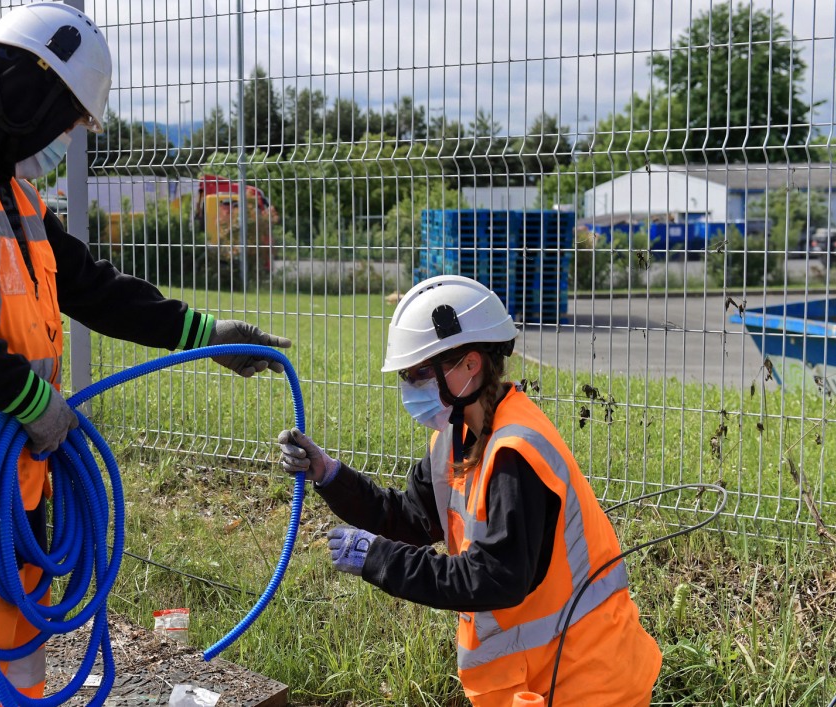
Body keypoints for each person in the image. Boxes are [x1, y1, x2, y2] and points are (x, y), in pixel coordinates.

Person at [0, 3, 291, 705]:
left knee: (15, 659)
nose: (61, 137)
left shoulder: (8, 190)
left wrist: (203, 332)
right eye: (65, 117)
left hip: (10, 472)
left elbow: (89, 286)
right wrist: (29, 400)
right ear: (27, 86)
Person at [277, 275, 659, 706]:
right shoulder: (455, 438)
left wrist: (380, 559)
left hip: (588, 683)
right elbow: (410, 518)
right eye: (406, 376)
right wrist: (329, 475)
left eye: (420, 373)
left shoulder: (517, 453)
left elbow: (493, 576)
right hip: (536, 681)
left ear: (470, 365)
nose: (411, 388)